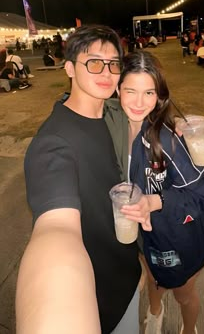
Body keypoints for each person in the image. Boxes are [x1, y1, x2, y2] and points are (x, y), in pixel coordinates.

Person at [15, 25, 142, 334]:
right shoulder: (54, 143)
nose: (107, 72)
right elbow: (55, 231)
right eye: (94, 62)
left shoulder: (113, 113)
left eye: (114, 64)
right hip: (100, 302)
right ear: (69, 68)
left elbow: (147, 115)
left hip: (129, 273)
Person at [105, 50, 204, 334]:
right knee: (153, 277)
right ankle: (155, 311)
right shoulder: (110, 123)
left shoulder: (167, 140)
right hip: (143, 236)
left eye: (149, 93)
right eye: (130, 90)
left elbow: (201, 195)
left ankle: (189, 329)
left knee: (183, 293)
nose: (139, 103)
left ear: (159, 95)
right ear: (117, 88)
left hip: (179, 237)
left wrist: (154, 201)